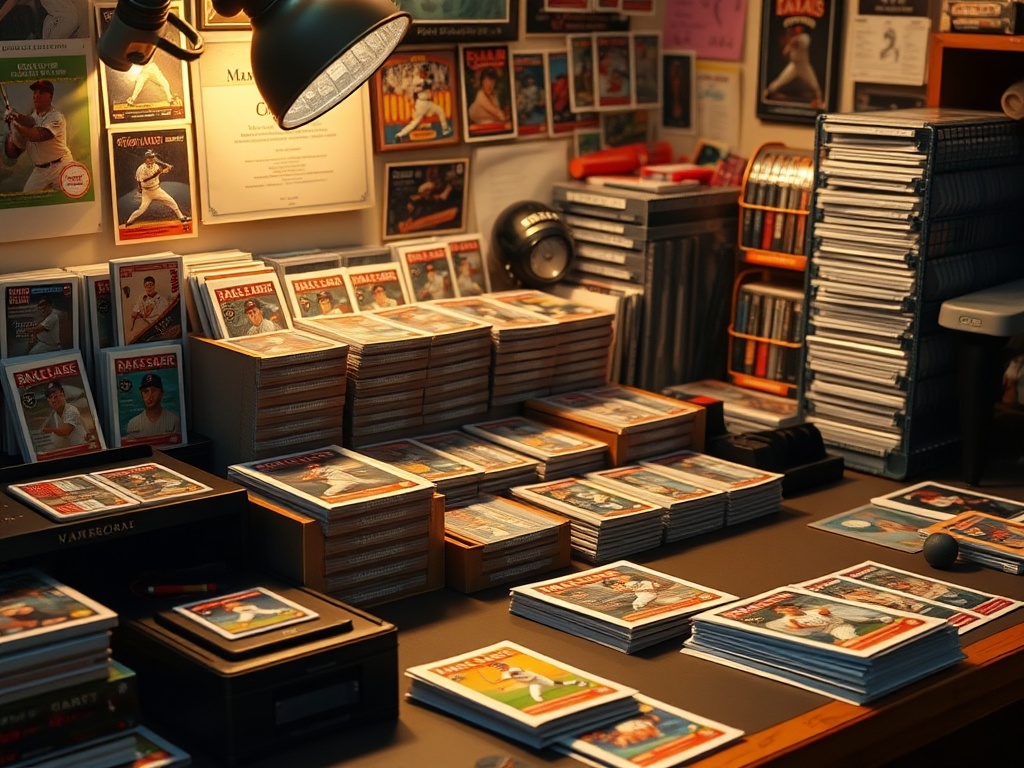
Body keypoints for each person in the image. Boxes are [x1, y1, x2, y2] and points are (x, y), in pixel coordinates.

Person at [3, 79, 74, 193]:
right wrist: (14, 116)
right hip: (40, 170)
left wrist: (16, 124)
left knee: (67, 199)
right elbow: (28, 121)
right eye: (35, 92)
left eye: (41, 92)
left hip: (61, 166)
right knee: (27, 198)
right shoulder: (34, 115)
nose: (36, 96)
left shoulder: (56, 117)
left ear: (50, 97)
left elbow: (39, 135)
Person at [766, 602, 892, 644]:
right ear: (781, 612)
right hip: (831, 628)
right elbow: (797, 627)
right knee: (850, 636)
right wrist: (820, 625)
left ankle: (878, 619)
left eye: (792, 607)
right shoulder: (788, 619)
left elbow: (824, 610)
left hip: (838, 620)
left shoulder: (808, 610)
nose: (792, 609)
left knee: (857, 618)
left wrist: (822, 613)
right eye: (787, 609)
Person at [124, 149, 191, 226]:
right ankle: (129, 221)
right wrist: (140, 187)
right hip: (147, 192)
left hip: (157, 190)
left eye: (152, 157)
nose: (151, 159)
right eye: (149, 158)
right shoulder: (141, 168)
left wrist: (168, 168)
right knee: (141, 210)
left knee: (172, 202)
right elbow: (143, 180)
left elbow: (162, 172)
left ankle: (181, 218)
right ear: (146, 159)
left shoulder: (156, 166)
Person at [762, 24, 823, 108]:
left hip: (804, 66)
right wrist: (789, 43)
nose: (797, 30)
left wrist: (792, 40)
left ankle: (820, 100)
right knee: (780, 81)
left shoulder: (804, 37)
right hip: (793, 65)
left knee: (814, 84)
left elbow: (805, 43)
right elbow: (785, 53)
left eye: (799, 29)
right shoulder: (792, 39)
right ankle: (767, 93)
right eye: (796, 29)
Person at [394, 63, 452, 142]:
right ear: (421, 71)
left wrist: (428, 83)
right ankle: (399, 135)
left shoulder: (428, 79)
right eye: (424, 71)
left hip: (428, 103)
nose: (426, 72)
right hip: (421, 103)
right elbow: (414, 90)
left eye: (426, 71)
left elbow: (431, 84)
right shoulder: (417, 80)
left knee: (440, 110)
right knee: (415, 122)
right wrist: (422, 86)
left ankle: (445, 130)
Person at [489, 661, 587, 703]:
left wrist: (506, 678)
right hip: (532, 683)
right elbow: (511, 681)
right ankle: (547, 706)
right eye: (498, 667)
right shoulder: (504, 675)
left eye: (501, 666)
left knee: (553, 684)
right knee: (536, 697)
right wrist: (503, 687)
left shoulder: (513, 668)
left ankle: (576, 682)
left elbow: (515, 673)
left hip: (536, 678)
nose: (501, 668)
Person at [124, 372, 180, 440]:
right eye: (145, 391)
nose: (149, 396)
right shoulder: (133, 424)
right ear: (141, 395)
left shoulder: (173, 421)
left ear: (161, 393)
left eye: (154, 391)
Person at [40, 380, 86, 450]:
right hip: (73, 450)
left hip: (84, 447)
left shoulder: (71, 410)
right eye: (50, 397)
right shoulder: (56, 414)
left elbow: (65, 431)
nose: (53, 400)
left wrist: (49, 429)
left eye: (55, 396)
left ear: (63, 396)